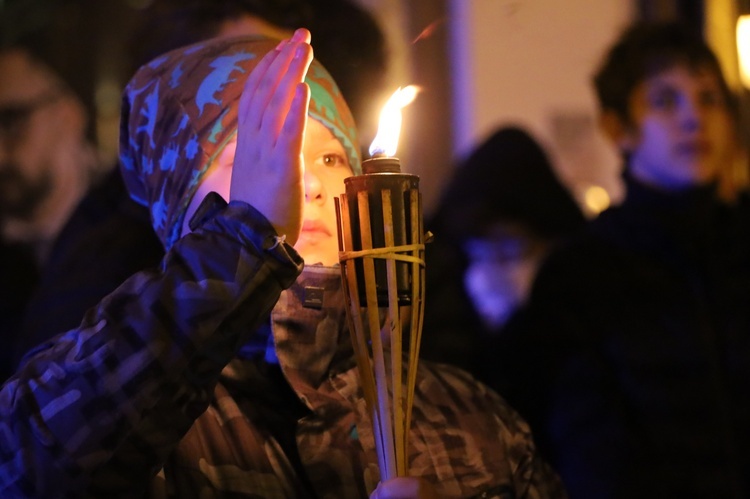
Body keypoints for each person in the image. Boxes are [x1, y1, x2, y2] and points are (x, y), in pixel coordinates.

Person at [0, 31, 566, 498]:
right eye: (258, 157)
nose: (305, 184)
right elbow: (30, 461)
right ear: (180, 207)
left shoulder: (464, 416)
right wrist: (249, 236)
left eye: (327, 156)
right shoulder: (147, 423)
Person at [13, 0, 389, 371]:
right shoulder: (106, 287)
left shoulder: (407, 372)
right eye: (242, 62)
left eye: (330, 159)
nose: (305, 181)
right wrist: (244, 242)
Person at [487, 21, 750, 498]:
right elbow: (586, 445)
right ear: (618, 127)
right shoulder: (584, 273)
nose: (694, 119)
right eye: (665, 101)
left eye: (709, 99)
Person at [421, 126, 586, 381]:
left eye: (511, 249)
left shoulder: (578, 303)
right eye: (479, 252)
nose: (492, 271)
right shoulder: (442, 295)